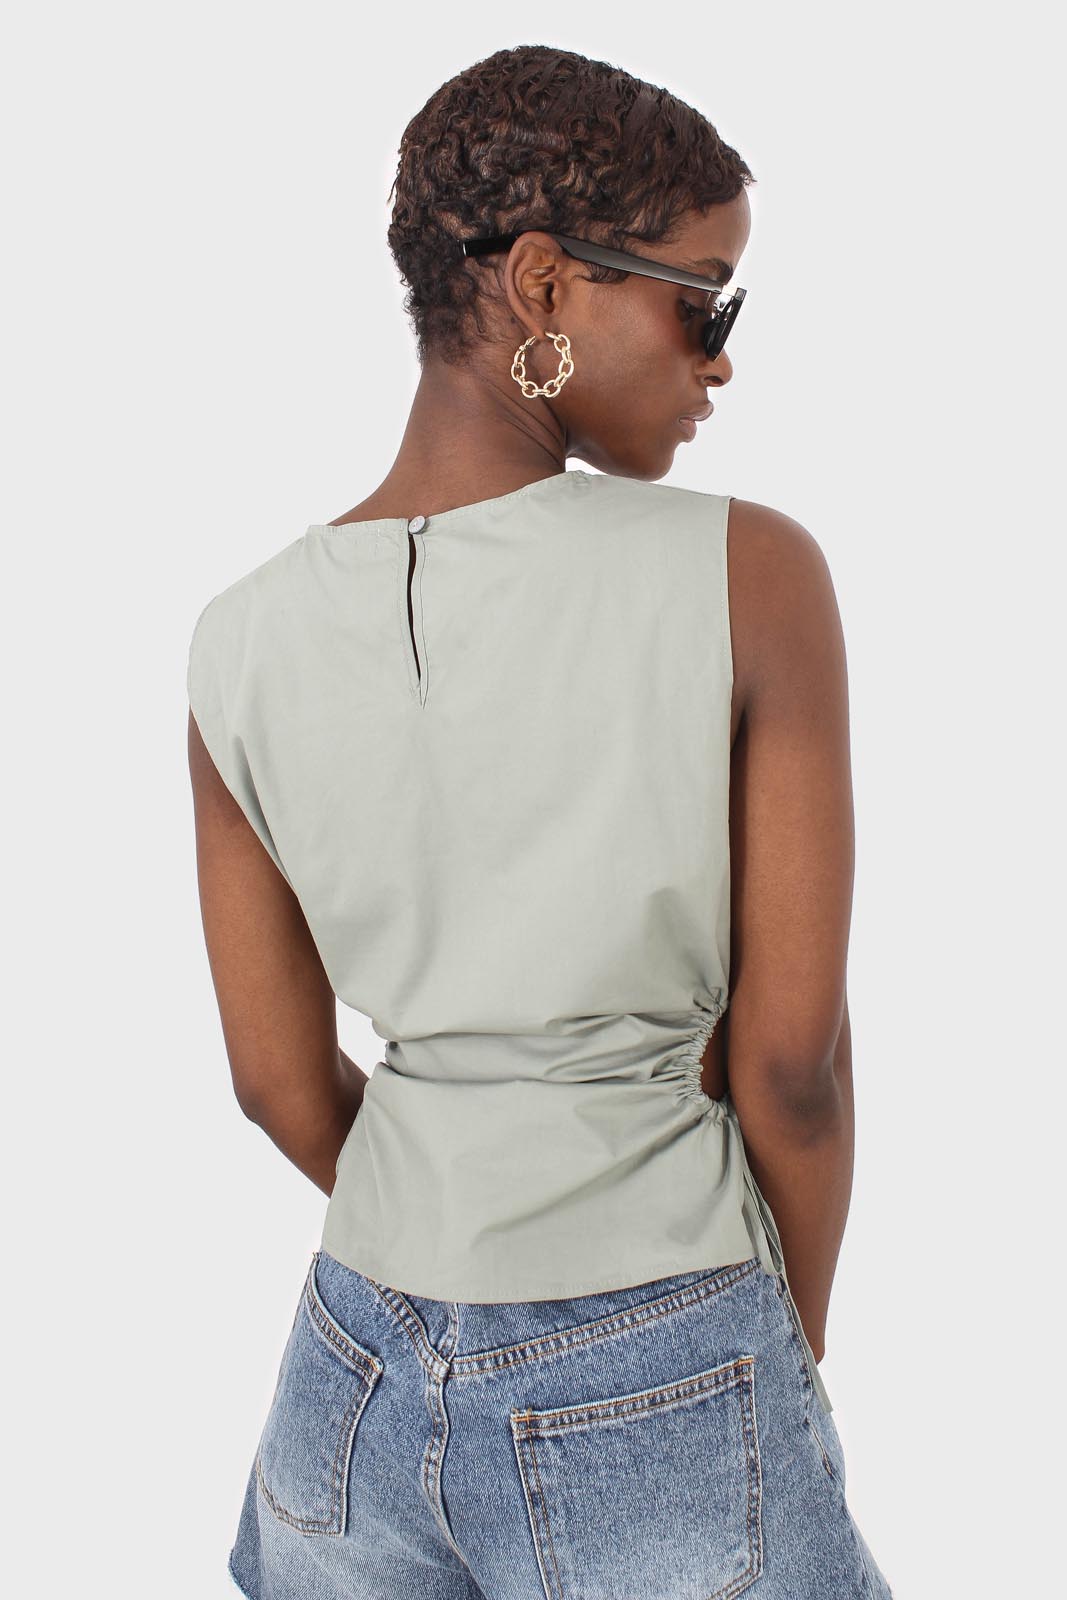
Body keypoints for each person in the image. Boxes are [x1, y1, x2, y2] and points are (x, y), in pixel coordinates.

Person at [187, 43, 894, 1600]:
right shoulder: (751, 576)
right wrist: (771, 1358)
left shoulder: (238, 642)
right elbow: (791, 1068)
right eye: (705, 303)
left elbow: (274, 1081)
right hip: (665, 1331)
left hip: (349, 1376)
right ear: (543, 286)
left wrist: (459, 1210)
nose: (720, 364)